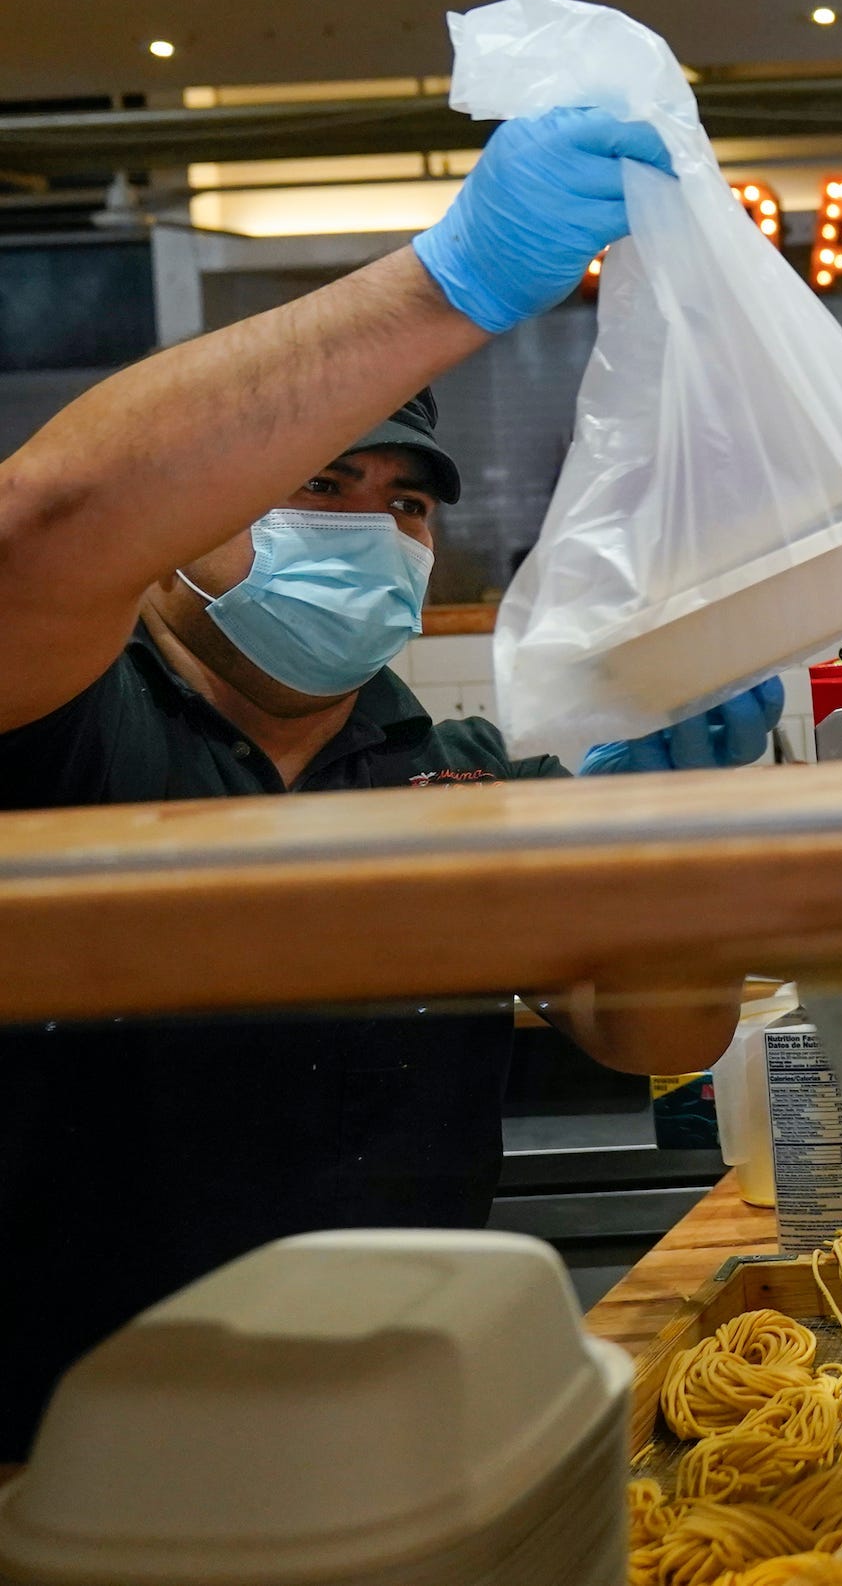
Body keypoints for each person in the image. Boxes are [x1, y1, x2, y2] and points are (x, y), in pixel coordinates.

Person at [0, 106, 781, 1458]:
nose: (370, 530)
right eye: (319, 483)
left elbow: (651, 1033)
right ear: (185, 515)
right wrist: (448, 280)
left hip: (408, 1439)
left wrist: (673, 841)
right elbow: (36, 533)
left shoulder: (457, 776)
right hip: (67, 1458)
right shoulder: (61, 730)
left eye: (406, 505)